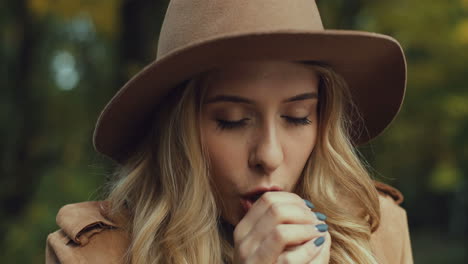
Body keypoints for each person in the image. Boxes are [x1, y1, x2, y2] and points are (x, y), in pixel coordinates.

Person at [46, 0, 413, 263]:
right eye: (233, 120)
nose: (269, 155)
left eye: (299, 117)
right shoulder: (91, 255)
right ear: (179, 131)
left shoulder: (379, 231)